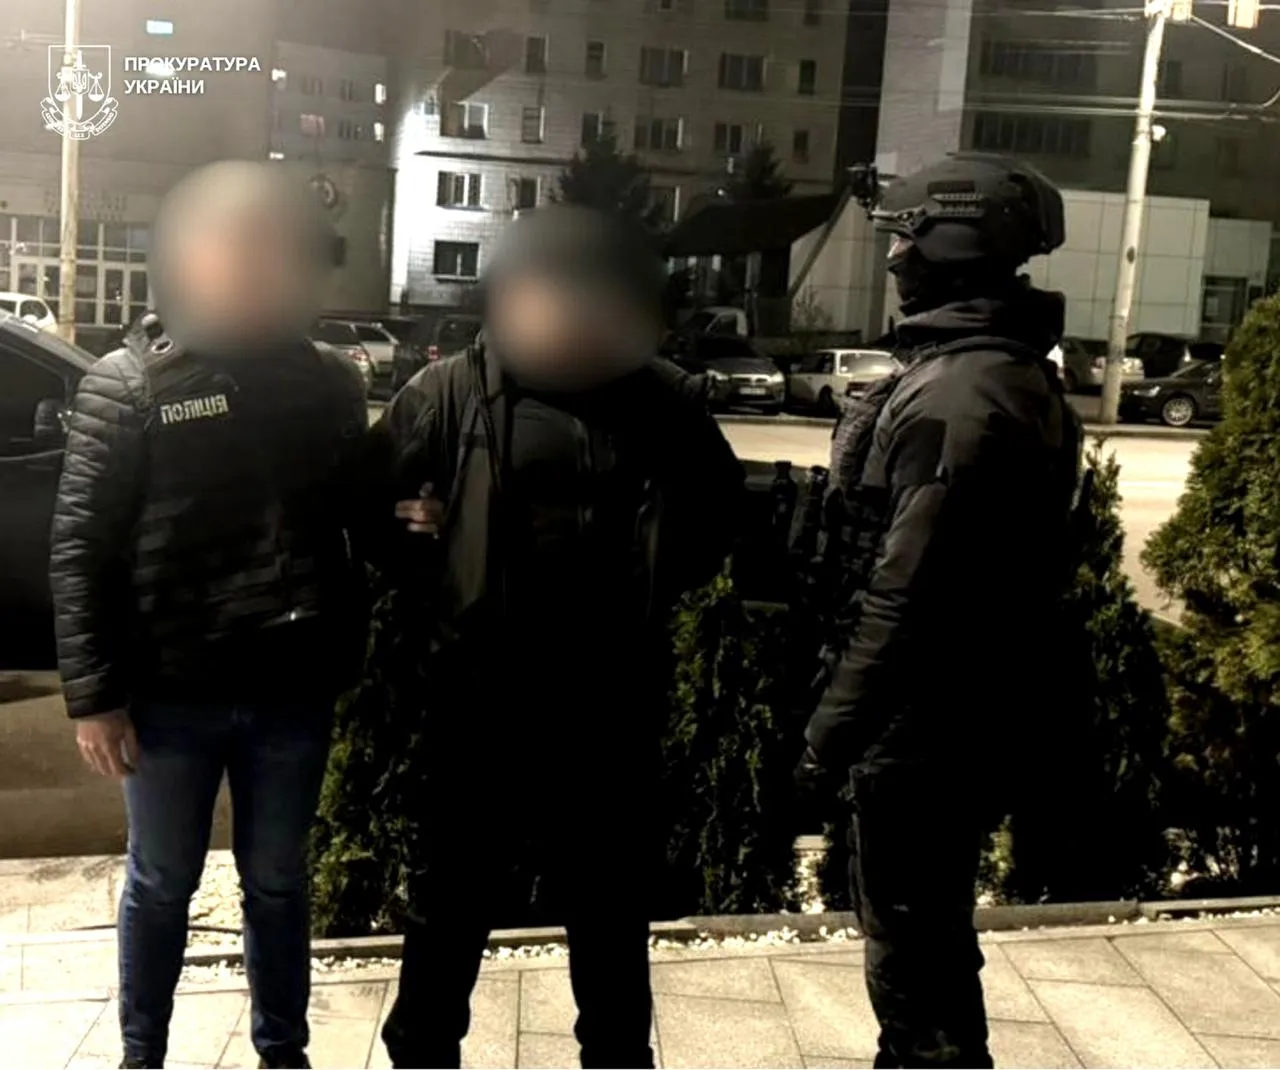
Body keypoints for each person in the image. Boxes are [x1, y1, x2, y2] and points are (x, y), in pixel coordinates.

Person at [371, 205, 745, 1070]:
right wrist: (420, 542)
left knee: (609, 916)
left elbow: (718, 514)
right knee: (449, 907)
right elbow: (366, 506)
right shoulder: (449, 391)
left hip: (609, 700)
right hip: (477, 700)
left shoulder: (660, 399)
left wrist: (658, 579)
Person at [49, 161, 367, 1070]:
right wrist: (93, 698)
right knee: (160, 883)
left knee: (278, 883)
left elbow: (357, 511)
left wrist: (410, 513)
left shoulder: (327, 383)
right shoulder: (130, 385)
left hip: (289, 694)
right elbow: (80, 550)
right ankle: (141, 1054)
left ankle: (282, 1053)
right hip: (168, 699)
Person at [795, 153, 1083, 1068]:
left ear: (952, 244)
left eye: (906, 238)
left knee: (917, 965)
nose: (893, 259)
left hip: (926, 722)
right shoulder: (984, 371)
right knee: (928, 949)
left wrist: (828, 734)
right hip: (948, 711)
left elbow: (909, 591)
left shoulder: (963, 392)